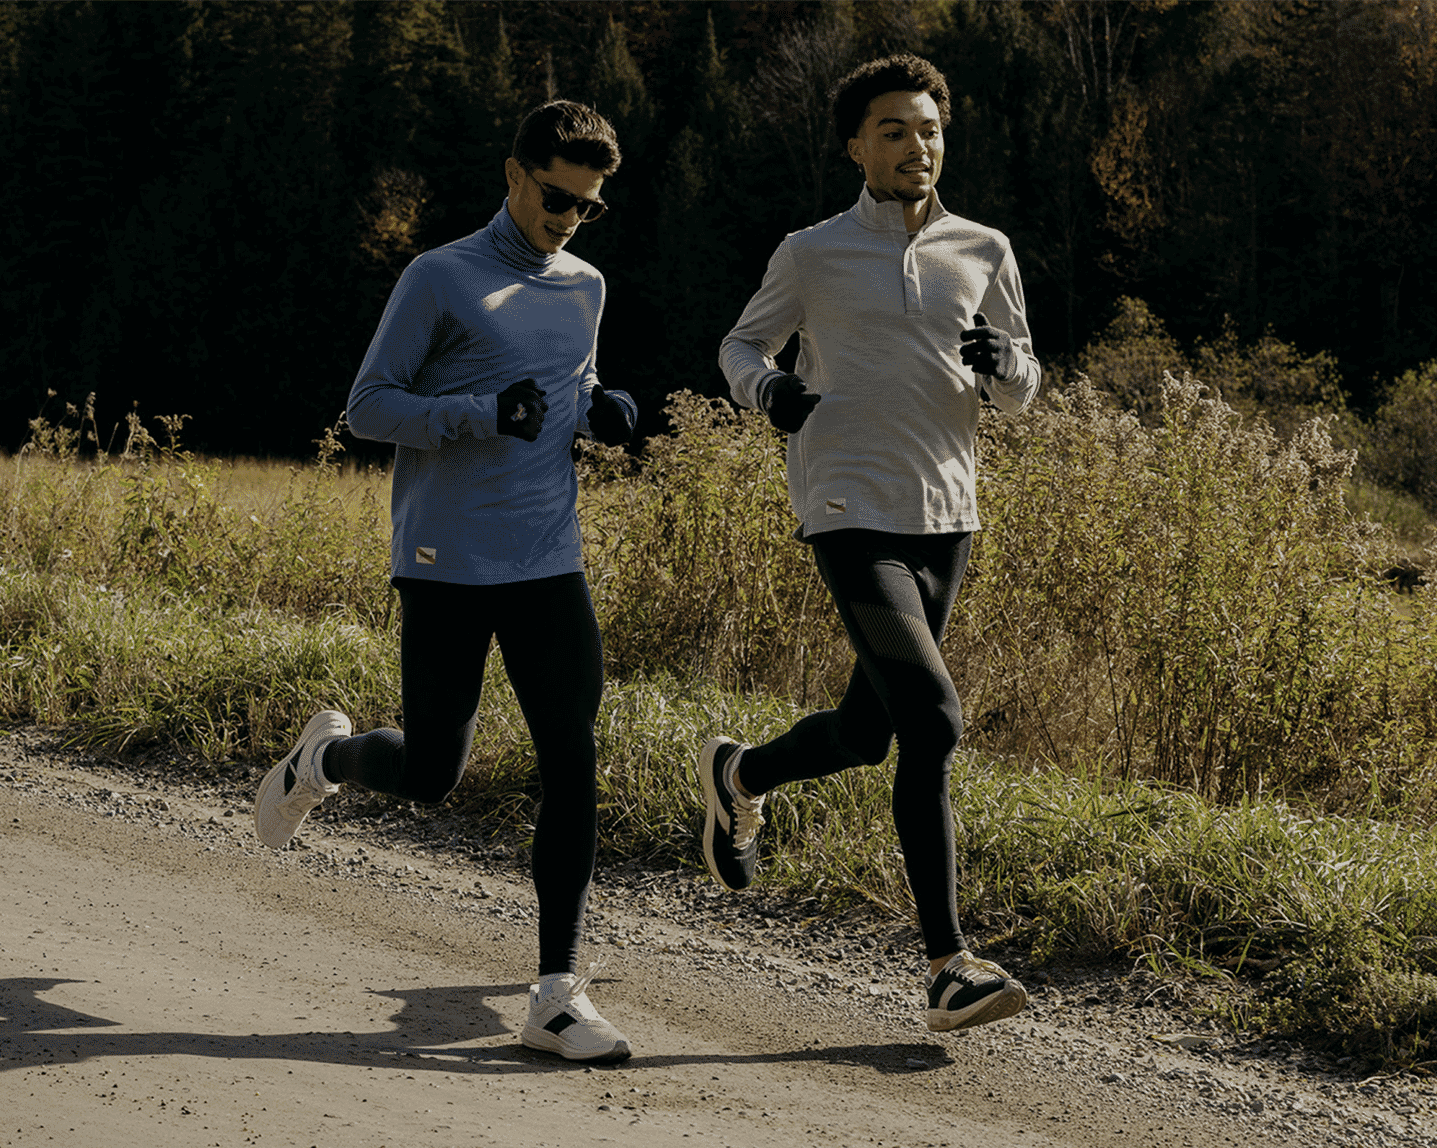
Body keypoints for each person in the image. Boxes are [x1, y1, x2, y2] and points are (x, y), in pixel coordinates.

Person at [253, 100, 639, 1064]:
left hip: (550, 558)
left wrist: (601, 410)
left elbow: (567, 386)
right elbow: (368, 408)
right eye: (555, 197)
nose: (566, 220)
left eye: (587, 207)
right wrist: (472, 412)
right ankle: (324, 762)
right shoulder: (442, 277)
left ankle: (557, 994)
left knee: (572, 757)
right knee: (432, 776)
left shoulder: (585, 285)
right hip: (446, 562)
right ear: (513, 174)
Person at [704, 54, 1042, 1034]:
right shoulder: (811, 252)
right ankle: (946, 966)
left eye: (928, 129)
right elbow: (740, 345)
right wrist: (767, 391)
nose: (914, 145)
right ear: (856, 145)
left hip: (947, 512)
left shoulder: (984, 248)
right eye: (892, 129)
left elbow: (1023, 385)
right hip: (847, 507)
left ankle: (741, 775)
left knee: (868, 732)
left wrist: (1000, 363)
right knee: (933, 719)